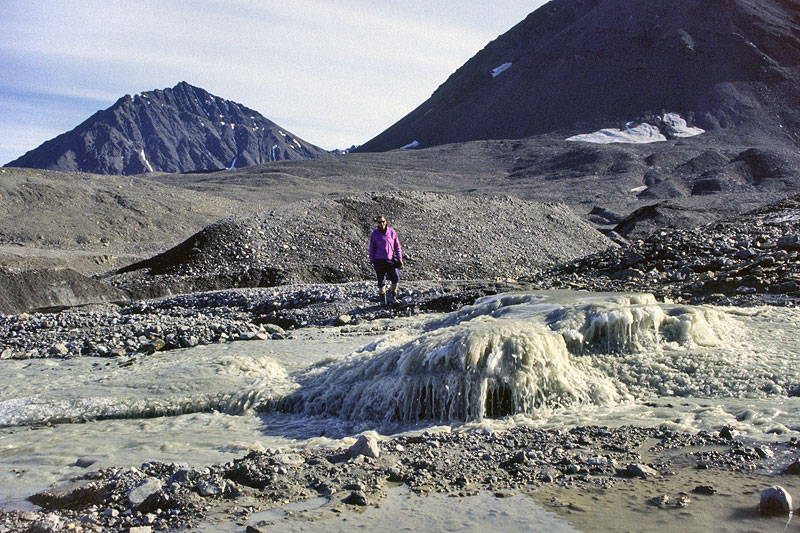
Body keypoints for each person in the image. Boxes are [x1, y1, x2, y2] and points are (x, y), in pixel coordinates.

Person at [369, 215, 403, 304]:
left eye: (383, 221)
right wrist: (372, 260)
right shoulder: (375, 234)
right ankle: (382, 299)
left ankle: (392, 296)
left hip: (390, 260)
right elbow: (371, 248)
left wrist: (399, 258)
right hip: (379, 261)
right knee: (381, 280)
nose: (382, 223)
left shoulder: (392, 232)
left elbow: (397, 246)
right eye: (380, 222)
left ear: (386, 221)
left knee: (395, 278)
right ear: (377, 223)